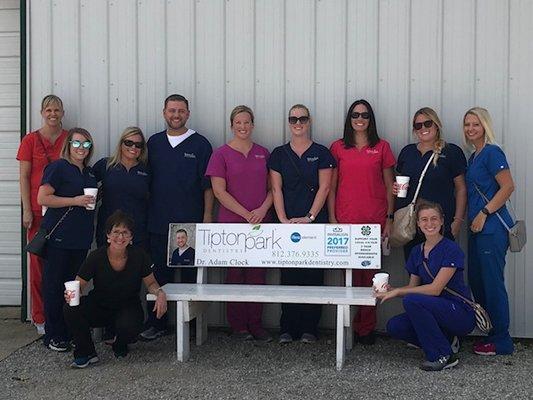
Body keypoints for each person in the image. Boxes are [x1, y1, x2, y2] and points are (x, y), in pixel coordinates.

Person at [140, 94, 214, 341]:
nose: (176, 115)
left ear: (188, 114)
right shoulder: (154, 143)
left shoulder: (200, 144)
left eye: (181, 111)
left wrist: (206, 217)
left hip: (190, 223)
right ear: (164, 113)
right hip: (159, 222)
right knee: (159, 276)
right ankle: (157, 323)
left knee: (194, 279)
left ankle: (194, 327)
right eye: (172, 110)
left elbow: (208, 186)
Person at [377, 201, 475, 371]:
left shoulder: (451, 249)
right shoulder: (416, 251)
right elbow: (412, 286)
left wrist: (401, 292)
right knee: (395, 326)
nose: (429, 224)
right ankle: (446, 340)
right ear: (418, 223)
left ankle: (443, 355)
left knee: (412, 300)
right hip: (435, 309)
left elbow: (435, 289)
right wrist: (392, 290)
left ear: (442, 221)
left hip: (459, 312)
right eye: (424, 220)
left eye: (434, 219)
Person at [327, 99, 395, 345]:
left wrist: (389, 218)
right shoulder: (337, 147)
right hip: (346, 220)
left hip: (374, 220)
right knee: (350, 277)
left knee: (373, 278)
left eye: (365, 115)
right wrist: (333, 218)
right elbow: (331, 187)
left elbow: (390, 186)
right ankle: (347, 327)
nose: (360, 119)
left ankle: (366, 328)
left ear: (370, 119)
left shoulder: (382, 147)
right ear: (349, 118)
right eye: (355, 114)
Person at [63, 211, 168, 368]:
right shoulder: (96, 256)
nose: (120, 237)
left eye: (125, 232)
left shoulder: (140, 256)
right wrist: (72, 293)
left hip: (127, 306)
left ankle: (119, 343)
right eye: (116, 232)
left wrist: (160, 293)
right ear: (108, 235)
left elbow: (151, 283)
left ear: (131, 237)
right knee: (71, 308)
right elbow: (79, 284)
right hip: (100, 304)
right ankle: (86, 352)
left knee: (131, 326)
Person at [268, 104, 335, 344]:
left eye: (303, 119)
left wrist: (310, 217)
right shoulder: (278, 153)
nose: (298, 123)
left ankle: (310, 328)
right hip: (286, 223)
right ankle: (288, 328)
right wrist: (283, 219)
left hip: (314, 223)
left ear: (309, 121)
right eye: (293, 119)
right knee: (288, 275)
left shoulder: (322, 152)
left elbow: (325, 188)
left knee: (313, 275)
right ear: (288, 122)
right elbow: (276, 188)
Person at [206, 105, 273, 341]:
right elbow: (218, 191)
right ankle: (238, 326)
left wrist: (262, 210)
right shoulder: (220, 154)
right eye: (238, 122)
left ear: (252, 125)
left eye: (247, 122)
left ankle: (255, 324)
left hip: (260, 223)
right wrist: (246, 214)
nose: (242, 126)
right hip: (232, 224)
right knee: (235, 274)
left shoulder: (264, 153)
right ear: (231, 125)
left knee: (258, 275)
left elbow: (273, 188)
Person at [37, 127, 97, 351]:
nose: (81, 148)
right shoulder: (58, 168)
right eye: (77, 143)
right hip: (58, 239)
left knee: (73, 288)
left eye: (86, 144)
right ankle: (54, 334)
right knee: (54, 286)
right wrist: (75, 200)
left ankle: (71, 329)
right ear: (69, 145)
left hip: (80, 241)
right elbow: (43, 197)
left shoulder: (90, 173)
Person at [463, 107, 515, 356]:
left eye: (476, 124)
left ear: (485, 126)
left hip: (492, 228)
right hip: (476, 229)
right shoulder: (474, 156)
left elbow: (507, 187)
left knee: (492, 283)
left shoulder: (492, 153)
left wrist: (484, 214)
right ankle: (491, 333)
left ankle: (502, 340)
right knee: (477, 280)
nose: (471, 129)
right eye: (467, 124)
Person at [16, 94, 68, 335]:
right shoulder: (30, 140)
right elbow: (24, 177)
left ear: (62, 112)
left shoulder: (69, 139)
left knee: (62, 267)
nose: (53, 114)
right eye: (48, 110)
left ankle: (62, 316)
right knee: (38, 266)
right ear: (41, 112)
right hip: (38, 212)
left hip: (63, 211)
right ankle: (40, 316)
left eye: (56, 110)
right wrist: (27, 209)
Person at [394, 107, 467, 260]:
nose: (423, 128)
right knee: (415, 271)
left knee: (441, 272)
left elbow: (461, 189)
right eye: (418, 125)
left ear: (436, 125)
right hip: (412, 226)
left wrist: (458, 220)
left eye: (427, 124)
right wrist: (395, 189)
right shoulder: (407, 152)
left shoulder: (451, 152)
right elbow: (401, 184)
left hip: (441, 224)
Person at [93, 127, 150, 249]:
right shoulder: (106, 165)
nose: (133, 148)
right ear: (121, 144)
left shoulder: (147, 170)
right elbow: (83, 182)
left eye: (138, 145)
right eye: (129, 143)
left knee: (135, 266)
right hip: (109, 229)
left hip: (137, 232)